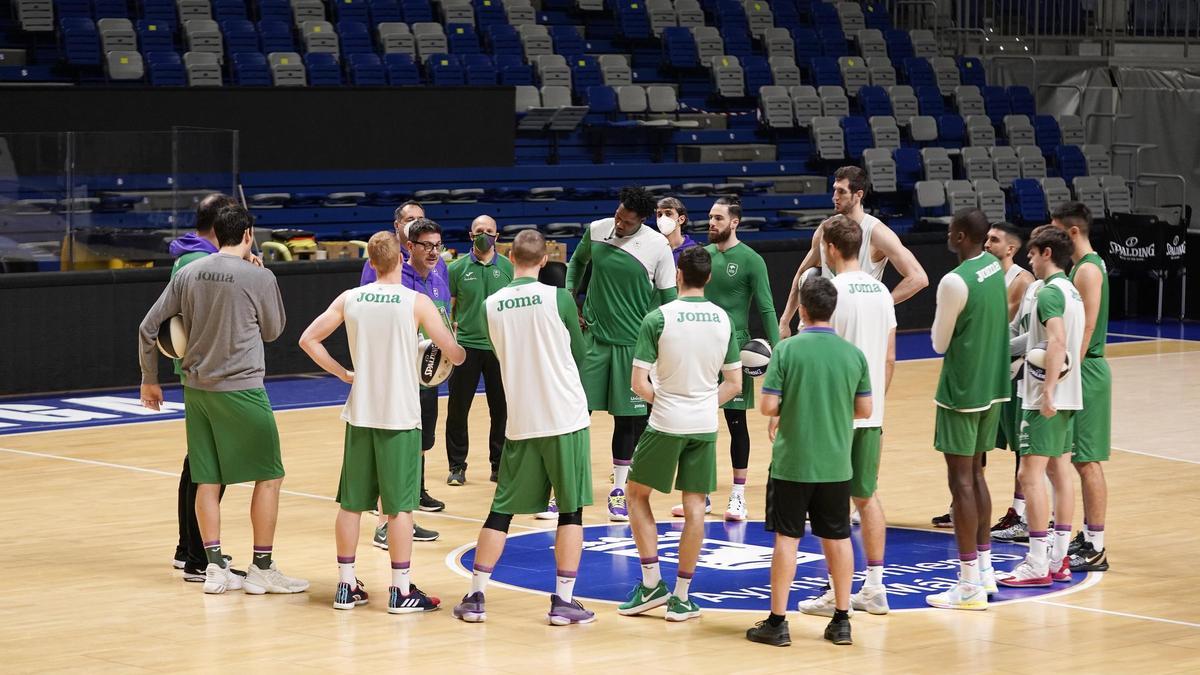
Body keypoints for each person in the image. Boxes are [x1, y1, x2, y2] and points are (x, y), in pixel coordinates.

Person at [138, 205, 308, 596]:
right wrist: (265, 275)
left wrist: (150, 380)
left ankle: (214, 568)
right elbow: (273, 330)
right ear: (248, 234)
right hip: (242, 388)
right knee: (270, 476)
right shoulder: (256, 275)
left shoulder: (189, 271)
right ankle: (262, 567)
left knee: (208, 479)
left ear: (216, 232)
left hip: (196, 391)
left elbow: (148, 326)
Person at [299, 231, 466, 613]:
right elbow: (454, 355)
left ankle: (345, 587)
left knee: (351, 505)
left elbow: (309, 340)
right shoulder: (416, 302)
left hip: (360, 413)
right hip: (400, 415)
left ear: (371, 262)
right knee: (399, 508)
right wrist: (440, 351)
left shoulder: (350, 298)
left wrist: (343, 373)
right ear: (401, 260)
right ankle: (401, 590)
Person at [452, 229, 596, 626]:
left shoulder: (491, 304)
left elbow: (499, 353)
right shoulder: (559, 297)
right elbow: (580, 354)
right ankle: (563, 602)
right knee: (571, 512)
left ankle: (475, 595)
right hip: (565, 416)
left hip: (521, 419)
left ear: (509, 257)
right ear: (546, 260)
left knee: (501, 511)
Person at [617, 247, 743, 622]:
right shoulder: (723, 319)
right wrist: (703, 403)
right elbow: (734, 383)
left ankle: (652, 582)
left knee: (636, 495)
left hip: (667, 422)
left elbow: (639, 383)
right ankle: (683, 598)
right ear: (708, 278)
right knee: (695, 506)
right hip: (705, 425)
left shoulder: (658, 317)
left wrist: (669, 402)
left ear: (677, 275)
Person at [745, 275, 871, 648]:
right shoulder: (854, 354)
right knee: (838, 537)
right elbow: (865, 409)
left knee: (788, 538)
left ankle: (778, 622)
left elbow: (768, 405)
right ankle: (843, 619)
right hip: (835, 463)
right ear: (832, 311)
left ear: (802, 310)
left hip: (793, 463)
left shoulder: (786, 350)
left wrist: (792, 406)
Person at [796, 215, 896, 618]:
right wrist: (876, 403)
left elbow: (821, 356)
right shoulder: (882, 293)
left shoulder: (829, 293)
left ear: (831, 249)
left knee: (831, 505)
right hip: (871, 411)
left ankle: (834, 592)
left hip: (832, 415)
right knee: (866, 496)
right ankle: (874, 586)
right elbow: (889, 357)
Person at [566, 186, 677, 521]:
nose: (619, 224)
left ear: (641, 221)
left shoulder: (658, 246)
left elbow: (669, 300)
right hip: (594, 340)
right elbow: (577, 262)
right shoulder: (597, 230)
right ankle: (566, 486)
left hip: (633, 346)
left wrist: (661, 342)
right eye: (618, 216)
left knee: (627, 422)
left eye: (627, 222)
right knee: (574, 413)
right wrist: (571, 296)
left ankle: (619, 489)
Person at [924, 208, 1010, 611]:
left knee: (960, 482)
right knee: (976, 475)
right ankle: (986, 569)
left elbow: (939, 343)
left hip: (963, 390)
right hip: (994, 386)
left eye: (951, 232)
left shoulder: (954, 281)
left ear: (960, 237)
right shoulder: (994, 266)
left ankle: (969, 582)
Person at [677, 196, 777, 522]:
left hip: (736, 350)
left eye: (718, 218)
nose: (712, 223)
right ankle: (701, 494)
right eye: (710, 217)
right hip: (700, 347)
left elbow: (766, 308)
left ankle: (737, 496)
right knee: (700, 423)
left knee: (736, 424)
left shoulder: (751, 260)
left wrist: (781, 354)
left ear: (734, 222)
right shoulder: (701, 257)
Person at [934, 222, 1035, 538]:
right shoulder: (990, 272)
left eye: (996, 239)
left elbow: (1025, 332)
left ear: (1011, 248)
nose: (989, 244)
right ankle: (965, 517)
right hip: (993, 374)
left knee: (1021, 450)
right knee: (975, 465)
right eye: (987, 238)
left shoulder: (1023, 281)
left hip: (1003, 372)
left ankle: (1022, 513)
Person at [997, 225, 1084, 588]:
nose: (1029, 258)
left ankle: (1036, 563)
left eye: (1032, 253)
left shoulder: (1048, 292)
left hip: (1043, 398)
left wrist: (1046, 391)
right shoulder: (1072, 291)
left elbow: (1057, 341)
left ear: (1047, 253)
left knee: (1028, 476)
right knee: (1060, 475)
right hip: (1070, 395)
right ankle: (1060, 558)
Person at [168, 193, 239, 581]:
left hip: (196, 369)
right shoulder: (203, 262)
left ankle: (188, 549)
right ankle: (199, 556)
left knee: (196, 462)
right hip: (213, 372)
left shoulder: (188, 255)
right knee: (212, 466)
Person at [777, 166, 928, 337]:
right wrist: (784, 321)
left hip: (860, 324)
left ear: (859, 195)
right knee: (809, 275)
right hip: (828, 322)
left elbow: (918, 278)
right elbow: (802, 273)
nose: (835, 197)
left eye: (842, 192)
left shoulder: (877, 232)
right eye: (834, 191)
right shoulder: (825, 228)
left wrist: (881, 302)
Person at [1052, 202, 1112, 573]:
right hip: (1084, 369)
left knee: (1087, 460)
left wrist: (1066, 367)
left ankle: (1097, 546)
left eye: (1057, 229)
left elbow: (1087, 329)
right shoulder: (1083, 266)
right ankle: (1088, 534)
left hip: (1087, 370)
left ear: (1073, 232)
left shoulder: (1088, 270)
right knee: (1077, 458)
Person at [444, 215, 513, 485]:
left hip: (499, 349)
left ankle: (499, 465)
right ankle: (457, 467)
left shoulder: (509, 267)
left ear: (498, 234)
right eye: (479, 231)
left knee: (502, 409)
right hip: (466, 349)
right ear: (470, 235)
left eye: (489, 231)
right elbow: (446, 308)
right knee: (458, 409)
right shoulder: (457, 268)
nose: (484, 234)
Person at [359, 200, 437, 285]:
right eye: (410, 219)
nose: (416, 224)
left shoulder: (435, 259)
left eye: (421, 220)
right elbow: (368, 293)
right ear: (396, 225)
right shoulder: (381, 256)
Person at [655, 196, 699, 263]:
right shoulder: (652, 247)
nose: (663, 218)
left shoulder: (694, 251)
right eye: (659, 215)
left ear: (681, 219)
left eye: (668, 214)